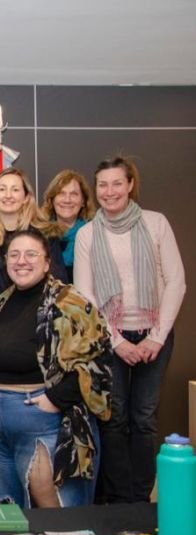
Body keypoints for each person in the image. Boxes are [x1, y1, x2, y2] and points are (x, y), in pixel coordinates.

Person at [74, 155, 186, 504]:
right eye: (103, 185)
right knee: (115, 420)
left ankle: (141, 501)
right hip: (111, 340)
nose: (109, 192)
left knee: (145, 420)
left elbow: (176, 281)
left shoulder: (156, 223)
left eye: (116, 183)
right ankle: (119, 502)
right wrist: (118, 341)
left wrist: (156, 336)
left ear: (130, 185)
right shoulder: (88, 233)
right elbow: (85, 294)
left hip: (155, 335)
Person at [0, 229, 112, 508]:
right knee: (11, 511)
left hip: (41, 419)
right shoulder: (3, 300)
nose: (21, 261)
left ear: (47, 262)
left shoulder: (68, 301)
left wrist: (55, 399)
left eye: (31, 254)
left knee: (54, 510)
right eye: (14, 255)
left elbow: (98, 357)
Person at [0, 167, 68, 318]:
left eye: (15, 189)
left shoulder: (45, 235)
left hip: (36, 321)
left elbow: (59, 283)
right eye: (2, 189)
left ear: (26, 197)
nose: (8, 195)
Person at [42, 169, 96, 281]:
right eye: (61, 193)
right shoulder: (39, 237)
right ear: (52, 200)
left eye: (74, 194)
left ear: (83, 201)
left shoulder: (94, 235)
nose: (67, 200)